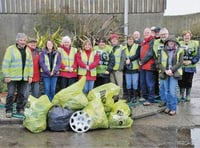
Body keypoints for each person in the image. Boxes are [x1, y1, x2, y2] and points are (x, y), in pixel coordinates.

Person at [2, 33, 33, 118]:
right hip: (12, 77)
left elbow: (30, 64)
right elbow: (5, 63)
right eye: (21, 40)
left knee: (22, 94)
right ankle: (9, 110)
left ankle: (20, 108)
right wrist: (6, 75)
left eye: (24, 40)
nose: (22, 42)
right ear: (17, 41)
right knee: (11, 94)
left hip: (24, 77)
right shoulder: (10, 49)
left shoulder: (28, 50)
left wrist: (30, 76)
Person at [156, 37, 184, 115]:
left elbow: (180, 63)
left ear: (175, 42)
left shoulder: (180, 51)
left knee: (172, 91)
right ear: (167, 43)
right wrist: (165, 71)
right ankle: (168, 107)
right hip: (165, 73)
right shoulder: (162, 51)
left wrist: (171, 70)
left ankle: (173, 108)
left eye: (172, 41)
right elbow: (159, 63)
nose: (171, 42)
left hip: (174, 74)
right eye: (169, 41)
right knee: (166, 91)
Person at [178, 30, 200, 101]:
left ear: (190, 36)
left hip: (191, 67)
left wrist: (191, 61)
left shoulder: (195, 44)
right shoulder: (179, 44)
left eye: (188, 36)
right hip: (181, 66)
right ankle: (181, 94)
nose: (186, 37)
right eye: (185, 36)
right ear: (183, 37)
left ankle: (188, 95)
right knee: (181, 81)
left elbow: (197, 55)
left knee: (189, 81)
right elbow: (176, 54)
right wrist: (182, 62)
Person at [139, 28, 156, 106]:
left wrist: (142, 61)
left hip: (149, 66)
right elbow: (140, 52)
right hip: (142, 66)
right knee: (143, 82)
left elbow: (150, 53)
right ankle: (145, 97)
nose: (146, 33)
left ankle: (151, 99)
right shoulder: (143, 41)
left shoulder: (152, 41)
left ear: (151, 33)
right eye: (145, 32)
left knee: (150, 83)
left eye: (148, 32)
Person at [153, 28, 169, 107]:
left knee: (168, 87)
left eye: (165, 34)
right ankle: (163, 100)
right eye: (162, 34)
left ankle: (169, 101)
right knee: (162, 86)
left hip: (170, 69)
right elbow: (155, 55)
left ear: (167, 34)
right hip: (161, 68)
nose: (163, 36)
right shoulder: (156, 43)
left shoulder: (172, 42)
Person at [109, 33, 126, 99]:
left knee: (119, 85)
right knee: (113, 85)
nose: (114, 40)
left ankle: (120, 97)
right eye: (112, 39)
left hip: (118, 70)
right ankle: (115, 97)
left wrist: (120, 68)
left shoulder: (121, 48)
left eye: (115, 39)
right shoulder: (109, 48)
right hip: (111, 70)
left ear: (117, 40)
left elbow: (123, 59)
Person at [124, 35, 140, 104]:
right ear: (127, 40)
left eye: (131, 39)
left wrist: (129, 59)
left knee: (135, 83)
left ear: (133, 40)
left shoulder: (137, 46)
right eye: (128, 39)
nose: (130, 40)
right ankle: (129, 96)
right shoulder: (124, 47)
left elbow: (137, 55)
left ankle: (134, 97)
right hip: (127, 69)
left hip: (135, 68)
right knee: (128, 83)